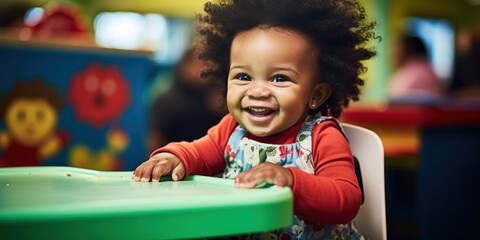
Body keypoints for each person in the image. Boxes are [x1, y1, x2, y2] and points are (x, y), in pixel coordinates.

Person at [133, 0, 377, 239]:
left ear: (316, 94)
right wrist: (173, 158)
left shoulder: (322, 136)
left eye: (279, 78)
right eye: (243, 76)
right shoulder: (232, 128)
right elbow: (196, 153)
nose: (258, 91)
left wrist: (291, 181)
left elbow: (346, 198)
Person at [148, 48, 227, 151]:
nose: (202, 70)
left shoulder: (213, 97)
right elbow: (156, 137)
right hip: (176, 158)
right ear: (183, 65)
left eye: (206, 65)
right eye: (196, 64)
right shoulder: (168, 99)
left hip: (208, 158)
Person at [387, 35, 443, 100]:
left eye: (398, 48)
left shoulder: (417, 71)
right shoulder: (426, 68)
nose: (393, 53)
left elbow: (395, 97)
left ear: (408, 50)